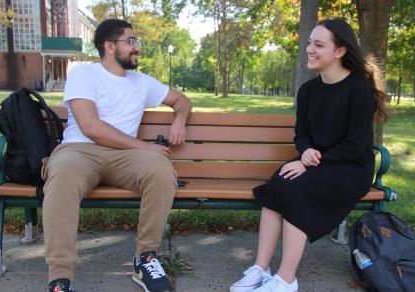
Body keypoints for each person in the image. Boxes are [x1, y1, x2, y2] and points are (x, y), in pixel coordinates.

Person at [229, 18, 388, 292]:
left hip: (350, 167)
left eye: (318, 44)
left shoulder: (358, 90)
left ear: (339, 51)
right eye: (308, 43)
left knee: (298, 190)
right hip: (315, 162)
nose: (309, 50)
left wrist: (314, 162)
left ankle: (286, 279)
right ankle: (260, 268)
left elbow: (355, 145)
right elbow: (301, 134)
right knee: (277, 185)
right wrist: (305, 152)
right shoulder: (308, 91)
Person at [42, 19, 192, 292]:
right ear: (109, 46)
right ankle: (60, 276)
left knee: (160, 169)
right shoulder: (84, 74)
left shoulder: (142, 82)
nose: (137, 48)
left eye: (137, 42)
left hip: (124, 157)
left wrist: (179, 119)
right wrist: (144, 146)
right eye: (131, 41)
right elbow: (91, 127)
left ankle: (145, 259)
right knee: (62, 173)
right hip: (80, 150)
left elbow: (182, 100)